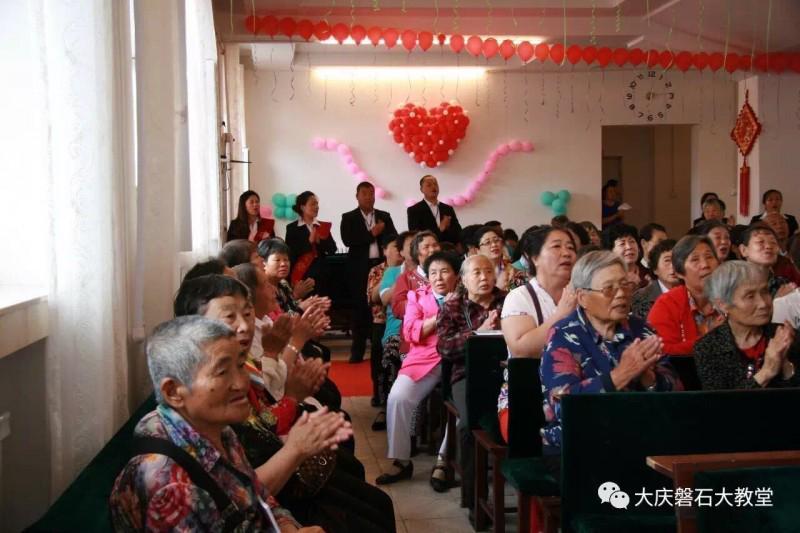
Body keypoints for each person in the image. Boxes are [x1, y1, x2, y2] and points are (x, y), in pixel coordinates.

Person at [173, 275, 395, 533]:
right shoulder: (195, 408)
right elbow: (237, 498)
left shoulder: (237, 365)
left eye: (246, 313)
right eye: (229, 317)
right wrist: (293, 427)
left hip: (278, 486)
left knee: (372, 497)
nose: (244, 326)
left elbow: (254, 450)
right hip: (282, 483)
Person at [109, 316, 323, 533]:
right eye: (221, 373)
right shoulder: (169, 486)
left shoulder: (217, 430)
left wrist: (286, 526)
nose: (241, 383)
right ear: (173, 392)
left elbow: (257, 497)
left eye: (240, 366)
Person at [540, 251, 681, 461]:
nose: (621, 294)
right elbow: (564, 405)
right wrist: (620, 375)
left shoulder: (642, 331)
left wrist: (649, 379)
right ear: (583, 297)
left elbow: (677, 393)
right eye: (609, 289)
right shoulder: (563, 335)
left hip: (642, 439)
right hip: (580, 445)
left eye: (625, 285)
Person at [377, 252, 461, 490]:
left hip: (457, 360)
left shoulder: (466, 298)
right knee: (398, 397)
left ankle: (444, 460)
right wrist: (439, 316)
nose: (439, 277)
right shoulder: (417, 297)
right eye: (433, 272)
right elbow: (412, 333)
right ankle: (401, 460)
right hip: (423, 358)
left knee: (463, 404)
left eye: (445, 271)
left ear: (456, 275)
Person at [437, 254, 506, 508]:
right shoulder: (453, 306)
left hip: (505, 374)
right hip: (465, 374)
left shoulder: (508, 301)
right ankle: (473, 498)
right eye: (476, 273)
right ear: (464, 279)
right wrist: (479, 333)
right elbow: (444, 348)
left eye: (488, 271)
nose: (484, 277)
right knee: (468, 423)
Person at [498, 226, 577, 442]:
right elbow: (521, 348)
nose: (566, 253)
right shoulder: (520, 297)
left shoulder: (584, 294)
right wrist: (561, 314)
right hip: (527, 395)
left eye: (570, 247)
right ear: (534, 258)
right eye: (556, 247)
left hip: (577, 390)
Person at [695, 261, 800, 390]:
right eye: (750, 296)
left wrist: (785, 366)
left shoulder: (786, 336)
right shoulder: (708, 347)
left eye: (765, 292)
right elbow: (721, 405)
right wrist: (766, 372)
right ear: (723, 304)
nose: (763, 303)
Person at [647, 235, 723, 390]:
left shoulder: (731, 298)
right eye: (695, 260)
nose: (705, 265)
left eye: (709, 257)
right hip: (683, 388)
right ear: (680, 272)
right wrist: (709, 338)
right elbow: (662, 351)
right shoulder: (667, 304)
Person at [340, 182, 397, 363]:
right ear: (357, 196)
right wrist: (372, 233)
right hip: (358, 268)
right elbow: (348, 240)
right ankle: (357, 352)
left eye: (371, 193)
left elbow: (393, 238)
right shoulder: (348, 217)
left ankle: (381, 349)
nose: (368, 197)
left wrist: (380, 233)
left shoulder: (384, 216)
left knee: (380, 307)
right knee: (359, 309)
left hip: (380, 266)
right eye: (364, 193)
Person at [373, 231, 417, 430]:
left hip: (423, 332)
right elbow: (384, 299)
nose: (417, 249)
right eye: (411, 245)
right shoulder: (393, 272)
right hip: (397, 330)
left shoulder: (433, 271)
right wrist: (406, 279)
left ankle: (415, 423)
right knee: (394, 354)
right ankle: (391, 409)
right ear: (401, 251)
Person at [366, 235, 402, 406]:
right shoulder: (377, 270)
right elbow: (373, 298)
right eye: (394, 247)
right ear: (385, 250)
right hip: (381, 321)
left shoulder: (409, 270)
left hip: (399, 322)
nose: (398, 251)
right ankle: (379, 396)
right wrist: (391, 276)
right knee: (378, 361)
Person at [285, 191, 337, 296]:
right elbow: (291, 252)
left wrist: (319, 241)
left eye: (317, 204)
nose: (317, 207)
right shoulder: (292, 228)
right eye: (313, 204)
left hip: (322, 275)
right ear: (303, 207)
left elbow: (332, 249)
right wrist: (309, 242)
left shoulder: (322, 226)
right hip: (303, 275)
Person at [738, 223, 800, 295]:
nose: (768, 246)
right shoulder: (733, 282)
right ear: (743, 250)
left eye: (773, 242)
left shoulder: (783, 284)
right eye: (760, 242)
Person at [407, 175, 462, 245]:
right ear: (421, 190)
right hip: (428, 249)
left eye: (435, 184)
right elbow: (416, 235)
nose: (433, 187)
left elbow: (458, 230)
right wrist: (440, 229)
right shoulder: (414, 210)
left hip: (449, 249)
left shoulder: (448, 208)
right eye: (429, 185)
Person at [631, 239, 679, 320]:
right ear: (655, 269)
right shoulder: (641, 297)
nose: (673, 266)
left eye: (676, 261)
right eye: (667, 260)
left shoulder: (691, 291)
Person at [474, 225, 527, 291]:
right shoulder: (474, 275)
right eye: (487, 242)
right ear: (477, 250)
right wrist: (499, 289)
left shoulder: (514, 272)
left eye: (496, 240)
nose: (494, 245)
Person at [604, 224, 646, 288]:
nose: (629, 247)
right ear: (611, 251)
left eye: (632, 241)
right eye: (622, 244)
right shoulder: (606, 276)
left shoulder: (648, 274)